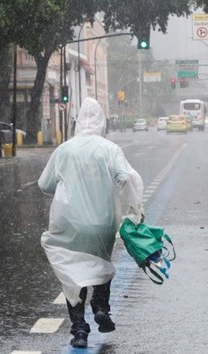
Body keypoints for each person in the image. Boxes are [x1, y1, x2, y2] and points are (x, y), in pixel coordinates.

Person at [38, 97, 143, 349]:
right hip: (102, 223)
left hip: (68, 223)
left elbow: (45, 184)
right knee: (100, 263)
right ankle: (101, 306)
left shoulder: (64, 150)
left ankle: (79, 330)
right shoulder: (110, 149)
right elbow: (125, 178)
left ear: (77, 123)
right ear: (101, 122)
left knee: (72, 275)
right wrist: (135, 209)